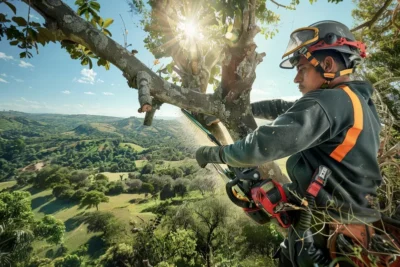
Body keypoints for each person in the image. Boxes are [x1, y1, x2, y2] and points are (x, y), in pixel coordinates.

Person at [195, 20, 385, 266]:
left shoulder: (329, 102)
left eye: (302, 68)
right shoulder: (358, 102)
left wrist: (212, 154)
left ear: (327, 65)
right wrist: (239, 110)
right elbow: (284, 108)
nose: (296, 78)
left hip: (324, 232)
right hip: (355, 223)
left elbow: (259, 146)